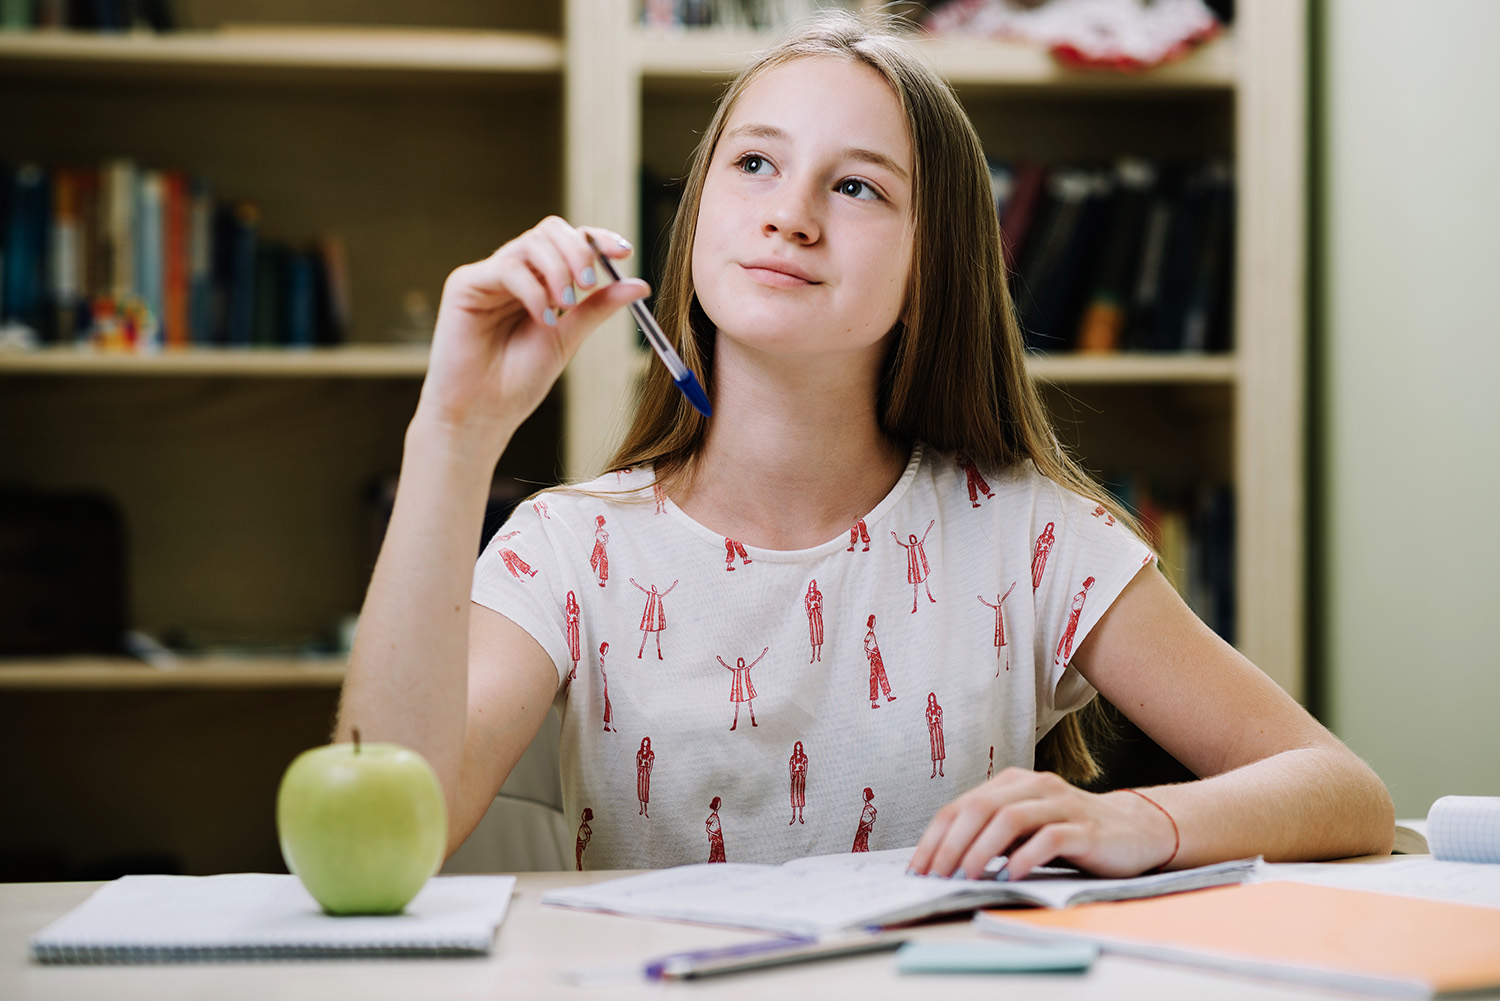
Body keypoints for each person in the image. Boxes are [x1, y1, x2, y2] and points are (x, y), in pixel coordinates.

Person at [334, 11, 1393, 879]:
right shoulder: (568, 546)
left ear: (936, 265)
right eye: (754, 162)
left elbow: (1341, 787)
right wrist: (455, 430)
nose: (789, 214)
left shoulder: (1029, 536)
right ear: (698, 213)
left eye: (856, 187)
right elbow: (388, 834)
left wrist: (1141, 823)